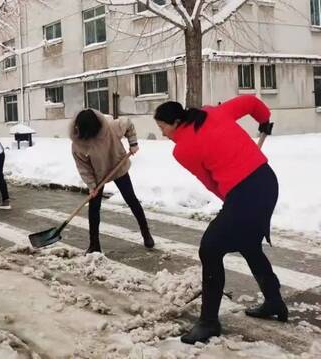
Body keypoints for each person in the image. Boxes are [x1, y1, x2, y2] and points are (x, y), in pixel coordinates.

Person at [153, 95, 286, 345]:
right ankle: (274, 301)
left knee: (210, 249)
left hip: (246, 192)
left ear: (176, 122)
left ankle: (208, 322)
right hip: (267, 181)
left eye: (162, 127)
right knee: (248, 244)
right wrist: (264, 120)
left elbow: (210, 181)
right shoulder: (214, 112)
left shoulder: (182, 150)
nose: (162, 134)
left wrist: (231, 199)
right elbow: (250, 102)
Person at [70, 109, 155, 254]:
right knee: (94, 208)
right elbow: (83, 168)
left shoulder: (110, 127)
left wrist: (133, 143)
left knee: (131, 199)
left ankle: (146, 233)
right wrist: (91, 186)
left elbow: (128, 124)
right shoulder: (78, 144)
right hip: (98, 175)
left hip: (118, 166)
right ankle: (94, 245)